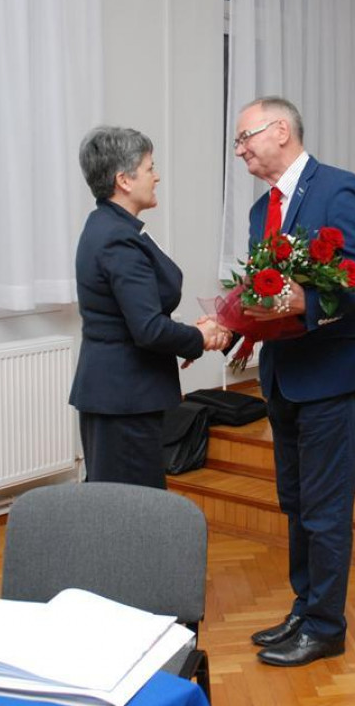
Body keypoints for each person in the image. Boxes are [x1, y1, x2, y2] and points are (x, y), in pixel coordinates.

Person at [234, 97, 355, 666]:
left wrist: (312, 301)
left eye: (245, 137)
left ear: (280, 130)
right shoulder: (260, 212)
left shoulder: (338, 188)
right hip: (283, 375)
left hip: (330, 374)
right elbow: (266, 289)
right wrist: (241, 325)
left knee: (325, 509)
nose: (241, 150)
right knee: (296, 502)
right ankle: (305, 608)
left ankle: (327, 626)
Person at [69, 125, 228, 489]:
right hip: (123, 398)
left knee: (122, 507)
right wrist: (198, 337)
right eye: (150, 167)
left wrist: (189, 336)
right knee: (130, 513)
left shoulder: (111, 226)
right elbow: (149, 329)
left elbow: (137, 316)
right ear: (124, 179)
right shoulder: (117, 238)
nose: (156, 176)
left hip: (119, 393)